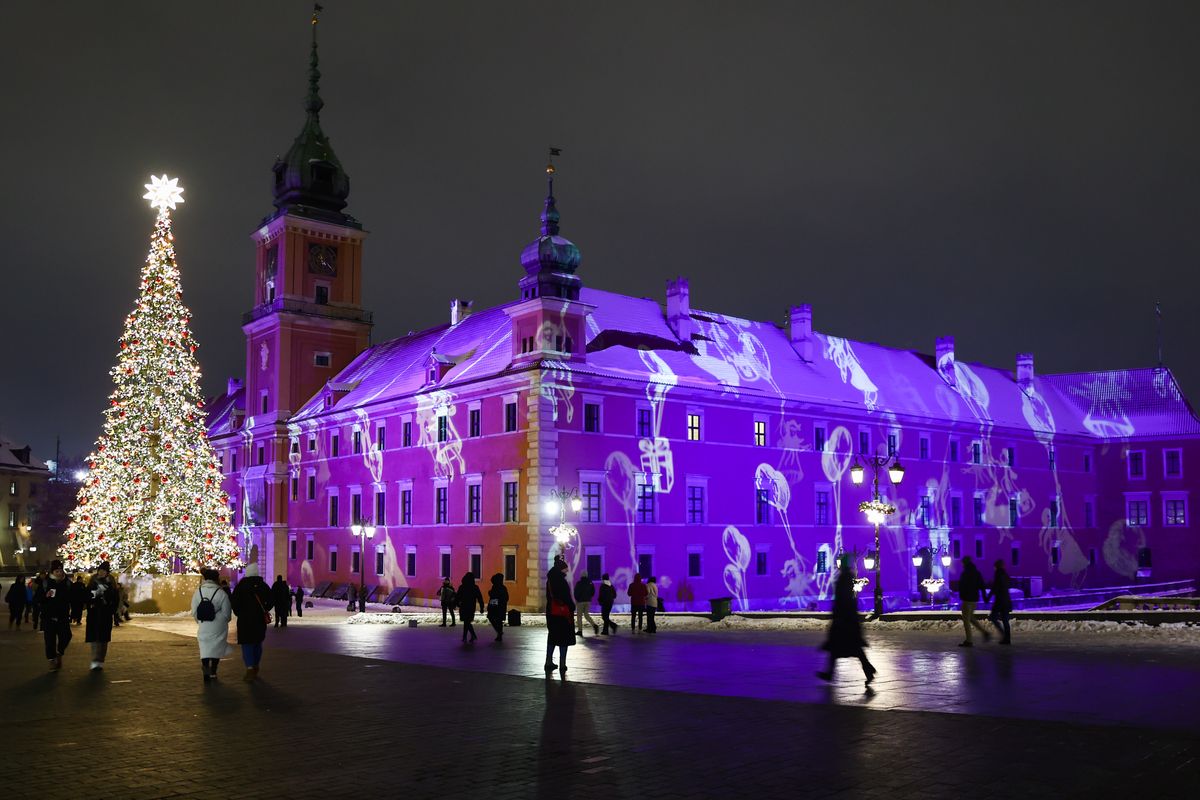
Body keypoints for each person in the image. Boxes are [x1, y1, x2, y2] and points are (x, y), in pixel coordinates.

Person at [816, 555, 876, 685]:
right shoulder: (848, 577)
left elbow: (842, 599)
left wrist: (838, 615)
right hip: (848, 618)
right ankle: (868, 670)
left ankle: (831, 673)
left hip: (844, 620)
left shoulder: (844, 578)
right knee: (850, 648)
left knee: (841, 647)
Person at [230, 564, 273, 681]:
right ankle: (256, 664)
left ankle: (249, 667)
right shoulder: (263, 586)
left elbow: (234, 603)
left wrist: (240, 613)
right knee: (257, 643)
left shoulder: (241, 586)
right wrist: (264, 609)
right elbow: (271, 600)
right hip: (259, 620)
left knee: (247, 644)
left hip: (245, 621)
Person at [190, 568, 233, 682]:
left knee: (205, 649)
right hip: (218, 626)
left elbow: (194, 611)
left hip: (204, 625)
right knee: (216, 648)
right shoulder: (221, 593)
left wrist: (200, 621)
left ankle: (206, 672)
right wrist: (222, 620)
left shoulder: (198, 591)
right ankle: (213, 671)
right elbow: (227, 613)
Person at [84, 561, 118, 671]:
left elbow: (115, 597)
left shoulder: (111, 582)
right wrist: (91, 601)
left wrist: (112, 609)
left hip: (106, 614)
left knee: (103, 639)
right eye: (100, 570)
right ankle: (95, 660)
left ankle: (100, 660)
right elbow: (87, 594)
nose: (102, 572)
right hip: (94, 613)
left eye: (104, 570)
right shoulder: (93, 580)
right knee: (94, 638)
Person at [544, 556, 576, 675]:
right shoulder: (561, 581)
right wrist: (572, 606)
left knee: (552, 636)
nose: (566, 572)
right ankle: (562, 663)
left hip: (551, 612)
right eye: (565, 569)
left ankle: (548, 661)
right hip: (562, 614)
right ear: (560, 569)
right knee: (564, 638)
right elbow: (566, 597)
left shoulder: (550, 581)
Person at [40, 561, 73, 671]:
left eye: (60, 571)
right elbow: (37, 599)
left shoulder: (67, 583)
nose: (59, 573)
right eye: (56, 571)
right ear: (52, 571)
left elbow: (73, 598)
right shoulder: (45, 583)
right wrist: (45, 596)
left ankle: (59, 652)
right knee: (49, 641)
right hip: (48, 617)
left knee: (67, 636)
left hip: (63, 616)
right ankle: (52, 661)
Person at [957, 556, 991, 647]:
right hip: (974, 599)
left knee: (966, 620)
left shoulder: (965, 573)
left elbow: (961, 586)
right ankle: (984, 632)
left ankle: (969, 640)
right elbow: (982, 585)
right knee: (971, 618)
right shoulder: (977, 573)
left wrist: (961, 595)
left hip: (967, 599)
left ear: (964, 563)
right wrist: (984, 597)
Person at [987, 559, 1013, 645]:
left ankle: (1004, 635)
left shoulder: (998, 574)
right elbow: (1007, 585)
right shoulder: (1005, 574)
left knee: (993, 617)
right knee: (1005, 620)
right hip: (1006, 600)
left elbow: (995, 587)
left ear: (996, 566)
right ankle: (1007, 638)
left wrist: (988, 597)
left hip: (1000, 600)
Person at [456, 572, 485, 643]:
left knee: (466, 622)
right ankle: (471, 636)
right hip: (471, 607)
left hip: (463, 606)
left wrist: (456, 604)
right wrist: (482, 607)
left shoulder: (462, 587)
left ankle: (466, 636)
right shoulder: (475, 587)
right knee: (467, 621)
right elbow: (480, 598)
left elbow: (458, 597)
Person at [486, 573, 509, 641]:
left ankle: (499, 633)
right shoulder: (501, 587)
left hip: (496, 606)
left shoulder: (498, 587)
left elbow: (495, 597)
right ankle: (499, 633)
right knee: (498, 620)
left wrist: (491, 593)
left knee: (494, 619)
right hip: (499, 606)